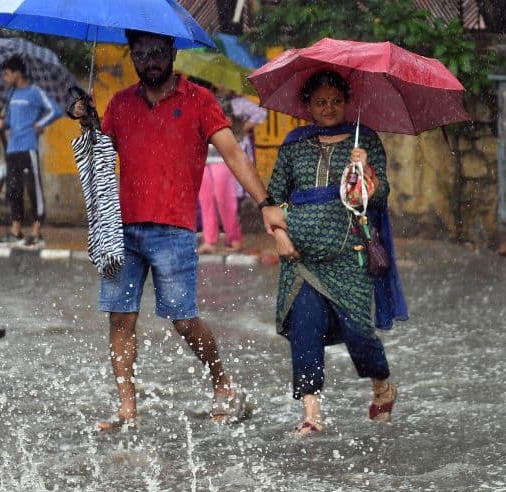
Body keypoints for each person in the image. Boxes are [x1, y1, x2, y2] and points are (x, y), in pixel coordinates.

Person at [71, 30, 286, 431]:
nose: (149, 60)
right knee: (120, 319)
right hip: (122, 231)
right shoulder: (119, 103)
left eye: (157, 52)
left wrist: (267, 204)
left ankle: (222, 382)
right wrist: (88, 122)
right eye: (140, 53)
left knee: (183, 320)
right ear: (132, 56)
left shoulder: (199, 101)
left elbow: (234, 154)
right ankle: (127, 411)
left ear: (172, 53)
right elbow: (99, 156)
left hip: (174, 230)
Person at [267, 70, 407, 438]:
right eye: (320, 102)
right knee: (306, 330)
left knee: (359, 331)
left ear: (346, 103)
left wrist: (366, 172)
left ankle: (382, 386)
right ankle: (312, 413)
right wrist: (280, 234)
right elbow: (274, 196)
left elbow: (380, 193)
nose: (329, 108)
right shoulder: (294, 144)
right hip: (302, 260)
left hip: (349, 256)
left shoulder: (366, 141)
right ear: (308, 106)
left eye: (335, 101)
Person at [0, 54, 63, 249]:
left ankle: (36, 232)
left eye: (7, 74)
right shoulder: (11, 95)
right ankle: (16, 232)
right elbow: (10, 120)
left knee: (33, 188)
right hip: (12, 149)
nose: (5, 78)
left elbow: (55, 110)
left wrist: (39, 125)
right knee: (14, 190)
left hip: (28, 147)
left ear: (17, 73)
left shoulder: (35, 92)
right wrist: (2, 124)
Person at [198, 97, 244, 253]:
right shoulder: (197, 106)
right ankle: (210, 241)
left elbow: (229, 123)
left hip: (222, 158)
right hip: (203, 160)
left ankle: (234, 238)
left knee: (223, 198)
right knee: (206, 200)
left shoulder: (222, 104)